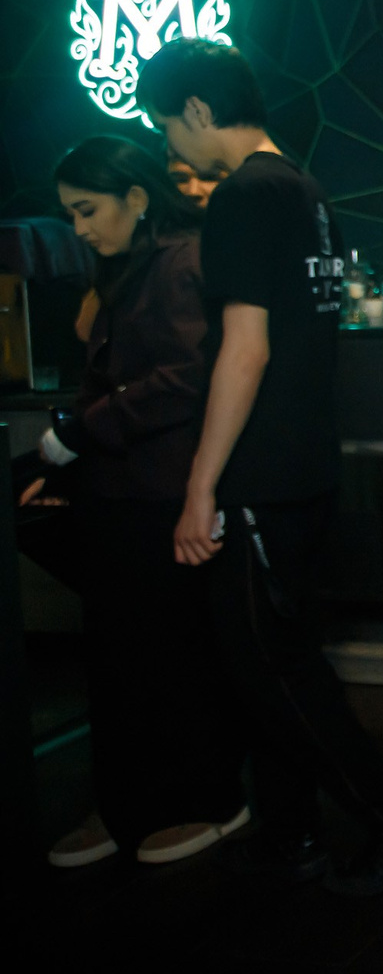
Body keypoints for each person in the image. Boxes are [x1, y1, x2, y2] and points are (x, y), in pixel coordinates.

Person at [139, 38, 383, 896]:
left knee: (269, 669)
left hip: (260, 476)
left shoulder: (244, 196)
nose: (171, 145)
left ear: (197, 109)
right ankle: (292, 834)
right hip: (306, 465)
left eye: (168, 125)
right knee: (275, 661)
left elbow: (245, 351)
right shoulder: (304, 190)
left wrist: (200, 487)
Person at [33, 136, 248, 870]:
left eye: (87, 210)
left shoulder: (181, 261)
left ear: (135, 197)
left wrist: (81, 431)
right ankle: (128, 805)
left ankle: (204, 800)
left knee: (168, 656)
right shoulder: (131, 265)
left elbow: (184, 377)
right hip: (122, 489)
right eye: (70, 214)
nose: (79, 228)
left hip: (159, 488)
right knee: (121, 659)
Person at [72, 153, 218, 345]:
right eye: (179, 179)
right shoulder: (145, 252)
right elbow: (86, 330)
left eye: (209, 177)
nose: (193, 191)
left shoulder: (185, 256)